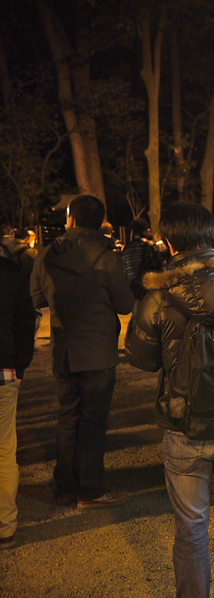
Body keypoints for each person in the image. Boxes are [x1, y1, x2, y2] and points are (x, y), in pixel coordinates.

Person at [125, 202, 214, 598]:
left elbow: (141, 357)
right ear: (212, 236)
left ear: (170, 240)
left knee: (191, 528)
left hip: (183, 422)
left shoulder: (159, 293)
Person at [29, 195, 135, 509]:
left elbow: (35, 297)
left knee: (67, 418)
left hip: (63, 349)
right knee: (93, 422)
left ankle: (64, 487)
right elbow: (126, 304)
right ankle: (89, 489)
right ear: (99, 222)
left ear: (71, 219)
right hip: (98, 351)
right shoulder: (107, 257)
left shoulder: (48, 254)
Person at [0, 257, 36, 550]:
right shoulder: (10, 271)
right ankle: (5, 528)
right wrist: (19, 365)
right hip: (4, 370)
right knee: (3, 451)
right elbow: (25, 322)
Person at [121, 217, 163, 299]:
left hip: (133, 288)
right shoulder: (149, 245)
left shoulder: (127, 248)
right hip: (148, 287)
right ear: (144, 231)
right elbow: (156, 265)